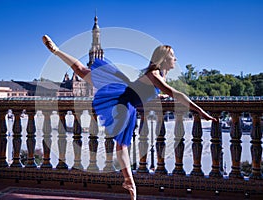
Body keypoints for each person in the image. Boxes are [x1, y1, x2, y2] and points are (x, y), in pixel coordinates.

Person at [42, 35, 217, 200]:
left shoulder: (159, 75)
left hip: (127, 100)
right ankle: (56, 50)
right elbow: (176, 94)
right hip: (122, 97)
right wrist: (199, 110)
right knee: (81, 71)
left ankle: (129, 182)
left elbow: (150, 91)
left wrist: (157, 96)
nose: (175, 59)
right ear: (163, 59)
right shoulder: (155, 74)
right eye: (173, 56)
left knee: (122, 144)